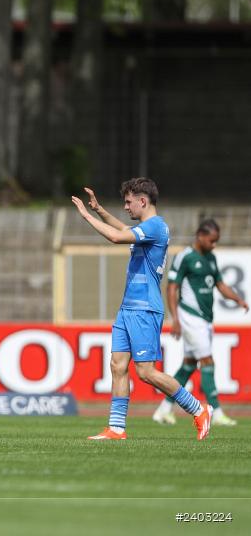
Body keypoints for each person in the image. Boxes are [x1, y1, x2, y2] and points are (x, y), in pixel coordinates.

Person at [71, 179, 212, 441]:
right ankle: (116, 428)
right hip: (128, 308)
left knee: (146, 372)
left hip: (145, 308)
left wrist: (85, 216)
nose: (126, 206)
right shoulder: (148, 228)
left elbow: (116, 236)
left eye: (128, 201)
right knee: (118, 365)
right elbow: (123, 228)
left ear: (143, 201)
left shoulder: (156, 227)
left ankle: (199, 409)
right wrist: (99, 210)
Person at [153, 219, 248, 427]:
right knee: (208, 362)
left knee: (188, 365)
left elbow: (220, 284)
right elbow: (171, 288)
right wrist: (175, 319)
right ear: (200, 236)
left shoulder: (211, 258)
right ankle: (217, 412)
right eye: (212, 241)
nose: (214, 245)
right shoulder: (185, 257)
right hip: (190, 316)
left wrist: (238, 299)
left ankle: (164, 409)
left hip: (205, 318)